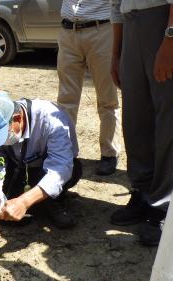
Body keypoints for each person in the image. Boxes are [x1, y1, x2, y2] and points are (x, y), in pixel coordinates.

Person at [110, 0, 173, 245]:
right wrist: (116, 52)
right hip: (132, 24)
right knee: (135, 117)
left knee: (172, 119)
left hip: (170, 20)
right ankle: (142, 191)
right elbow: (115, 4)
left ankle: (164, 207)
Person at [0, 92, 82, 228]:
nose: (1, 141)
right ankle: (26, 197)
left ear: (17, 118)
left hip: (45, 169)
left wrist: (24, 201)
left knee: (73, 169)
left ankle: (55, 201)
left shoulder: (52, 119)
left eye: (2, 135)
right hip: (18, 166)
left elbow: (60, 168)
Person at [56, 0, 121, 176]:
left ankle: (109, 153)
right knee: (66, 99)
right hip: (69, 30)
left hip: (101, 29)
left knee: (107, 98)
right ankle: (65, 152)